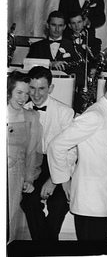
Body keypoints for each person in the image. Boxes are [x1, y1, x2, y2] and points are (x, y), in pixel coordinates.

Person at [48, 70, 107, 240]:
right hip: (89, 198)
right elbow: (57, 145)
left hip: (100, 196)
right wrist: (63, 179)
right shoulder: (94, 115)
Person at [20, 66, 75, 241]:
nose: (36, 94)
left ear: (50, 88)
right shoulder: (21, 110)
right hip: (31, 164)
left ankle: (44, 244)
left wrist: (54, 179)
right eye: (32, 88)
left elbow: (72, 151)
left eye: (41, 88)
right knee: (28, 200)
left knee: (59, 204)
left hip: (58, 163)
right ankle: (46, 244)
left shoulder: (65, 112)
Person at [7, 71, 42, 241]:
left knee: (10, 218)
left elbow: (32, 151)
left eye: (26, 93)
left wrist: (29, 179)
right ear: (9, 91)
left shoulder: (31, 118)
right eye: (19, 92)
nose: (23, 98)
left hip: (15, 177)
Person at [67, 12, 102, 113]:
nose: (77, 26)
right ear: (69, 25)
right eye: (73, 23)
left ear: (84, 22)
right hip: (72, 79)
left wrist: (94, 68)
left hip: (87, 81)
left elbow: (95, 59)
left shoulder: (94, 41)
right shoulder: (65, 41)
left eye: (79, 22)